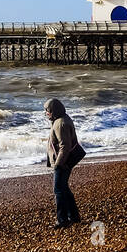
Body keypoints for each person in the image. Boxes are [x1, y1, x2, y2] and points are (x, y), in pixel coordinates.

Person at [44, 98, 85, 229]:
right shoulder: (60, 120)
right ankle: (74, 216)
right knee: (64, 189)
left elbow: (65, 146)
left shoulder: (60, 123)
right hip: (64, 161)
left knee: (59, 190)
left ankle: (62, 220)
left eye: (47, 110)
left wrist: (58, 164)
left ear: (53, 111)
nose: (46, 113)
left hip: (63, 162)